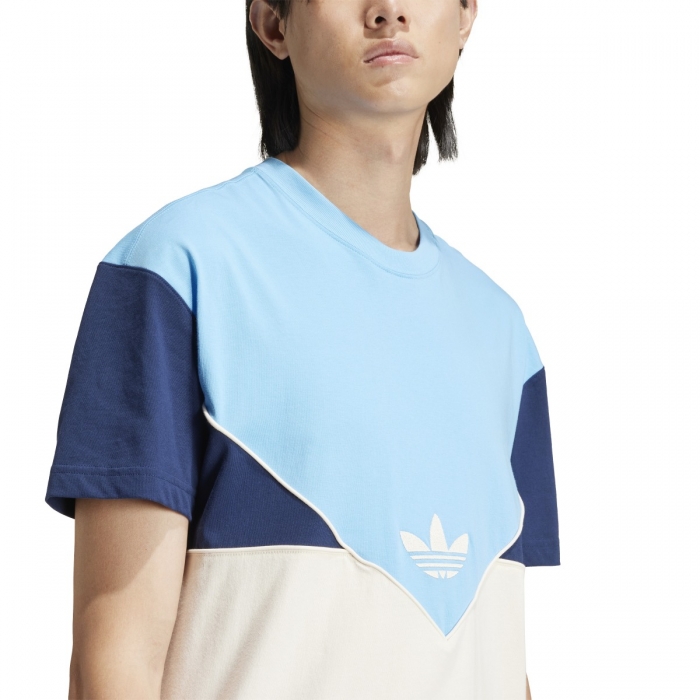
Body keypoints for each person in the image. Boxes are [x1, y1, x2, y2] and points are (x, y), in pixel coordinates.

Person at [45, 0, 560, 698]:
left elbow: (495, 650)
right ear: (272, 24)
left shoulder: (503, 334)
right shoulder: (179, 269)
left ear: (466, 15)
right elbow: (117, 659)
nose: (388, 11)